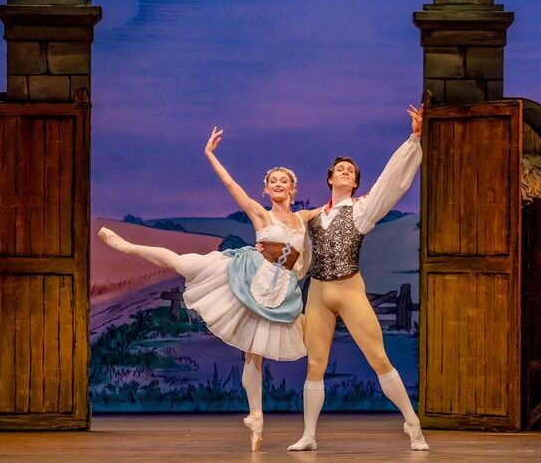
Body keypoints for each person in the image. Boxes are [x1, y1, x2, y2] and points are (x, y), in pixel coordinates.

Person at [98, 126, 320, 452]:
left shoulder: (304, 218)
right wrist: (210, 155)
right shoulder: (260, 214)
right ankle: (129, 246)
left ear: (293, 187)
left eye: (283, 180)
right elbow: (231, 186)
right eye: (272, 180)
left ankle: (256, 417)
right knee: (184, 263)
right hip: (243, 273)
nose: (277, 184)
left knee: (253, 355)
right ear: (265, 190)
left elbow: (338, 207)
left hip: (277, 291)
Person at [288, 104, 429, 452]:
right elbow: (288, 241)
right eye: (340, 169)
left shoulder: (362, 209)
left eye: (351, 170)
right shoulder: (312, 217)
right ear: (330, 179)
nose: (346, 172)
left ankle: (413, 424)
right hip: (318, 292)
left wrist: (413, 138)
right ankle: (308, 435)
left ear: (356, 181)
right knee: (315, 364)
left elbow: (391, 182)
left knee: (379, 358)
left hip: (349, 289)